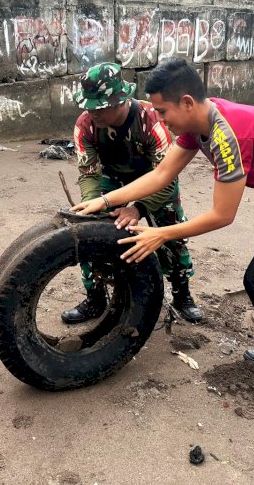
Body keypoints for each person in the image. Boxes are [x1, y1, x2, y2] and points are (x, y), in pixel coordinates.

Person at [72, 57, 254, 397]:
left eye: (162, 112)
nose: (159, 119)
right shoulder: (195, 127)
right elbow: (161, 175)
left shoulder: (225, 135)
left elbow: (223, 215)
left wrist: (161, 233)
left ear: (186, 103)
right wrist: (104, 201)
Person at [61, 62, 203, 324]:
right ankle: (95, 297)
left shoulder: (151, 121)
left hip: (157, 181)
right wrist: (93, 204)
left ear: (121, 100)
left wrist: (137, 208)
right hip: (112, 181)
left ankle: (182, 295)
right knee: (89, 230)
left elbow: (167, 176)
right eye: (89, 106)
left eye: (100, 107)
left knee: (171, 235)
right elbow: (90, 174)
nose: (94, 113)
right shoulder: (85, 126)